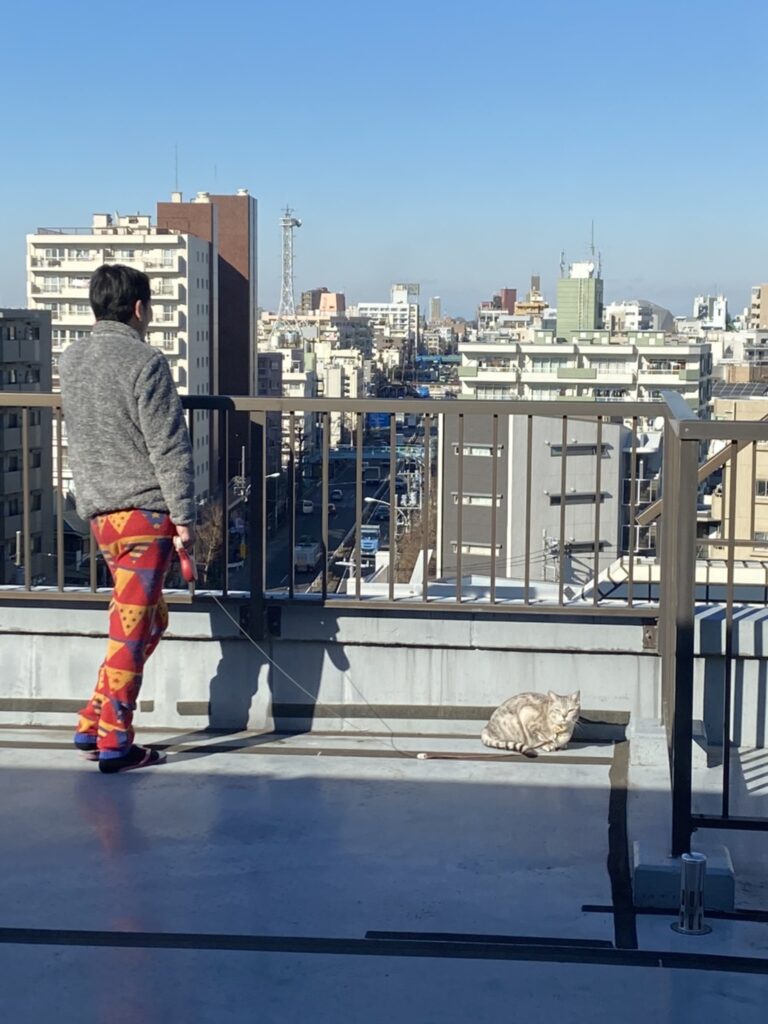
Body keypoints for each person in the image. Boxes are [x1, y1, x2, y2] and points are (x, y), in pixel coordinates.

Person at [59, 264, 195, 773]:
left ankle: (91, 720)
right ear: (139, 308)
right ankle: (116, 741)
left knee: (145, 620)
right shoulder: (146, 361)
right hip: (145, 515)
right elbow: (169, 447)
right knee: (133, 629)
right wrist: (185, 519)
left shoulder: (72, 359)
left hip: (101, 514)